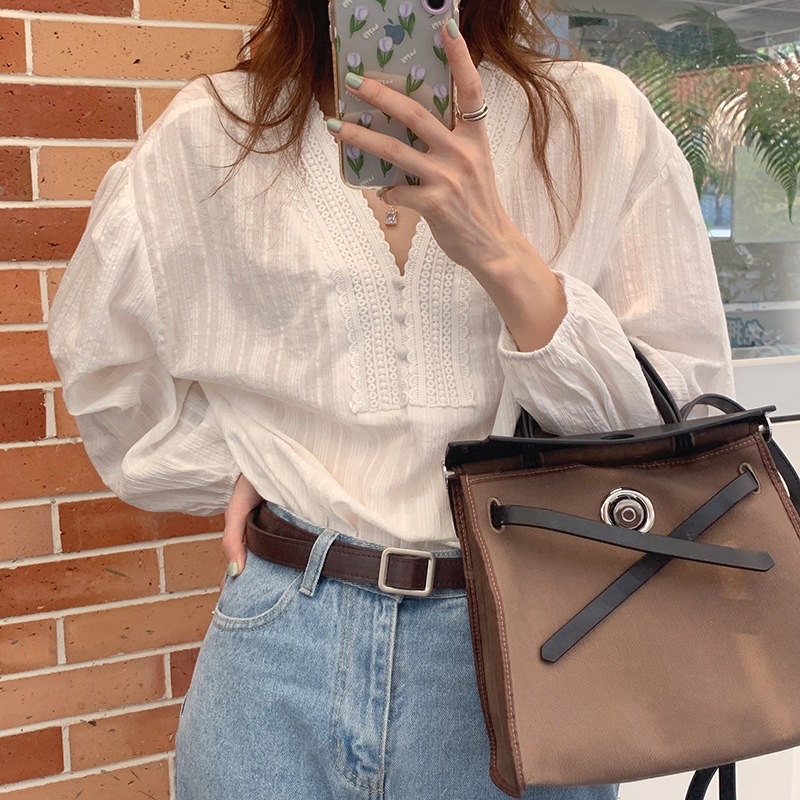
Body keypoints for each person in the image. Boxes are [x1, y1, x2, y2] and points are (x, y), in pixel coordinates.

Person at [47, 0, 734, 797]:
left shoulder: (595, 121)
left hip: (528, 653)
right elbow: (105, 368)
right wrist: (240, 461)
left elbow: (681, 432)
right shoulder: (217, 130)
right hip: (277, 652)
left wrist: (501, 254)